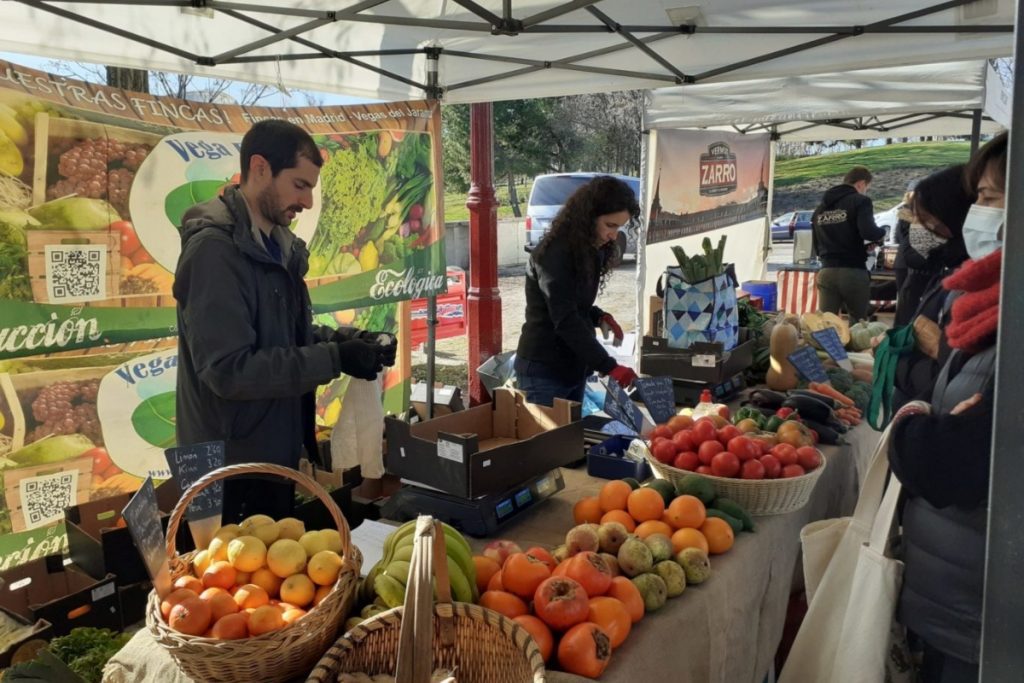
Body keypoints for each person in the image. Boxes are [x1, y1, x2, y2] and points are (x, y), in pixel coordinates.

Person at [174, 119, 397, 522]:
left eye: (310, 187)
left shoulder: (278, 246)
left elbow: (283, 332)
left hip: (270, 454)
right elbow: (229, 370)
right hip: (229, 468)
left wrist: (351, 341)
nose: (308, 202)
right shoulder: (214, 253)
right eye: (300, 185)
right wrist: (334, 359)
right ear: (259, 168)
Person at [888, 131, 1007, 683]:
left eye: (990, 197)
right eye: (978, 198)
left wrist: (912, 420)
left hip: (984, 617)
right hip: (959, 596)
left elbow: (947, 462)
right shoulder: (982, 304)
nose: (977, 215)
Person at [515, 176, 639, 406]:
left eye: (619, 227)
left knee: (570, 438)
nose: (614, 235)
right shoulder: (553, 254)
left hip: (574, 367)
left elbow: (576, 303)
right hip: (543, 369)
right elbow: (564, 318)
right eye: (610, 225)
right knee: (548, 441)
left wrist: (598, 316)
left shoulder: (592, 250)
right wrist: (608, 366)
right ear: (588, 217)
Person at [889, 165, 973, 409]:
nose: (923, 227)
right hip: (915, 402)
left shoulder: (966, 285)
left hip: (927, 410)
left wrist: (895, 363)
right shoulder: (950, 274)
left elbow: (945, 371)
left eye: (928, 221)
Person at [811, 165, 887, 320]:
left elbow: (817, 246)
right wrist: (882, 233)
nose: (866, 191)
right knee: (859, 325)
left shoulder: (819, 209)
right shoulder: (860, 201)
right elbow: (869, 232)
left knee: (826, 324)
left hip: (826, 272)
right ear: (861, 184)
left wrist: (860, 247)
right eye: (867, 188)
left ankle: (825, 345)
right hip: (853, 271)